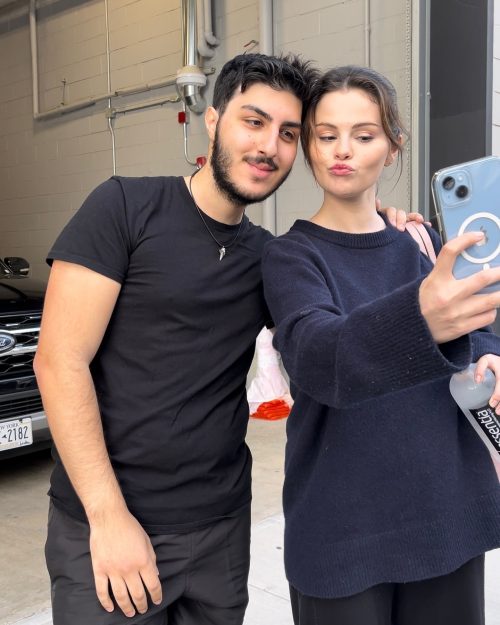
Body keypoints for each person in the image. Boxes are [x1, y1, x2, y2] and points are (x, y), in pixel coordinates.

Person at [35, 54, 420, 625]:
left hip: (221, 531)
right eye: (253, 121)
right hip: (111, 525)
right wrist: (107, 517)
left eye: (287, 133)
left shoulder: (271, 257)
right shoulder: (124, 207)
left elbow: (335, 338)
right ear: (213, 120)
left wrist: (383, 226)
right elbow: (59, 361)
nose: (268, 146)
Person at [261, 65, 500, 625]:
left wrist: (490, 351)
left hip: (445, 512)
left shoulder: (423, 244)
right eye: (326, 134)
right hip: (342, 529)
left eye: (364, 135)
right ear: (309, 146)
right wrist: (423, 318)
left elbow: (481, 324)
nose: (342, 150)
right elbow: (318, 358)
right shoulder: (291, 256)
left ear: (393, 147)